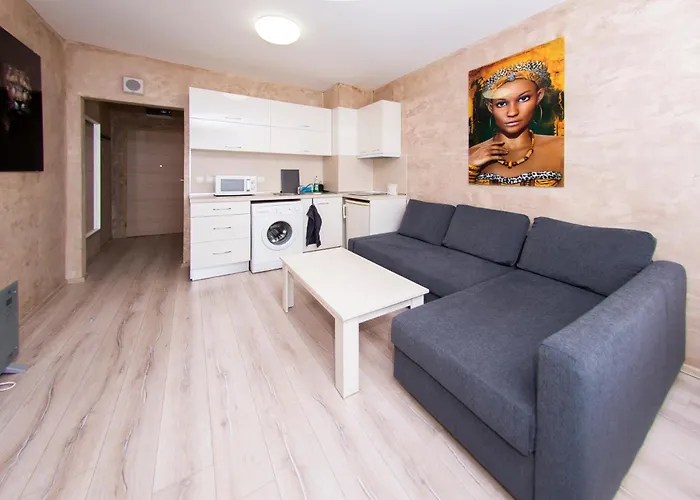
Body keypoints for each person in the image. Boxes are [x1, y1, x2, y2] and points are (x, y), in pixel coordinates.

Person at [468, 60, 564, 187]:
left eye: (523, 98)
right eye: (501, 104)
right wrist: (470, 169)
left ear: (539, 96)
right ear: (491, 108)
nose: (512, 112)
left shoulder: (562, 148)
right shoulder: (471, 155)